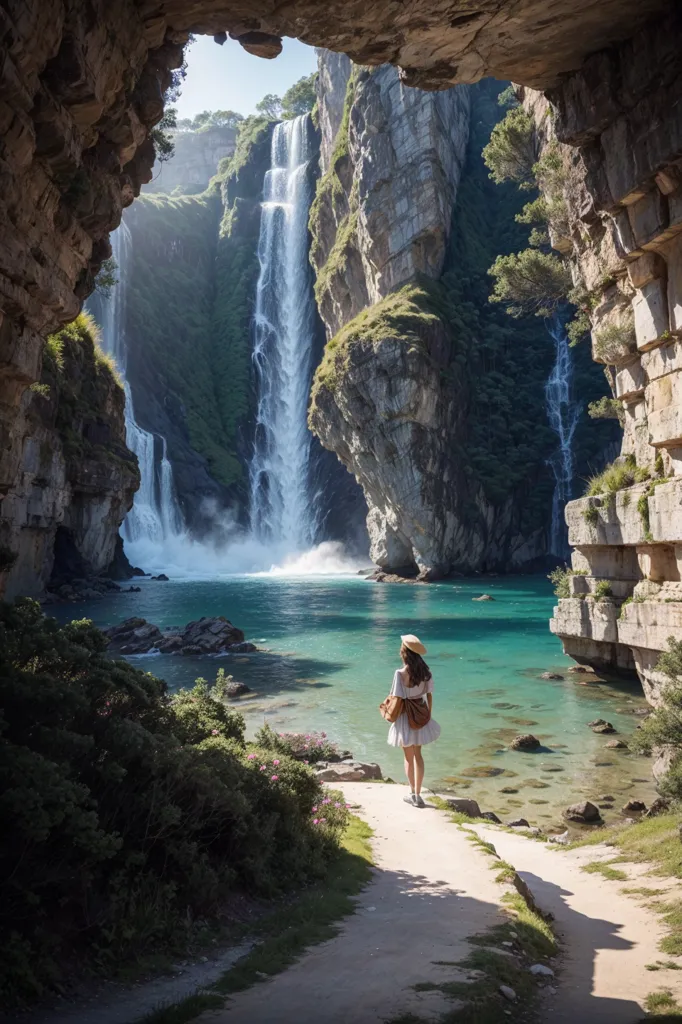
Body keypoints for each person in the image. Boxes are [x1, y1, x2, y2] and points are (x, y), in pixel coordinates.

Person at [387, 634, 441, 807]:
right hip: (421, 714)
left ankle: (411, 793)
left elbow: (397, 696)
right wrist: (428, 715)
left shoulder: (400, 673)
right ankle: (418, 794)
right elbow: (429, 695)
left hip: (405, 717)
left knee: (408, 757)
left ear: (404, 652)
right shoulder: (426, 672)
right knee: (419, 756)